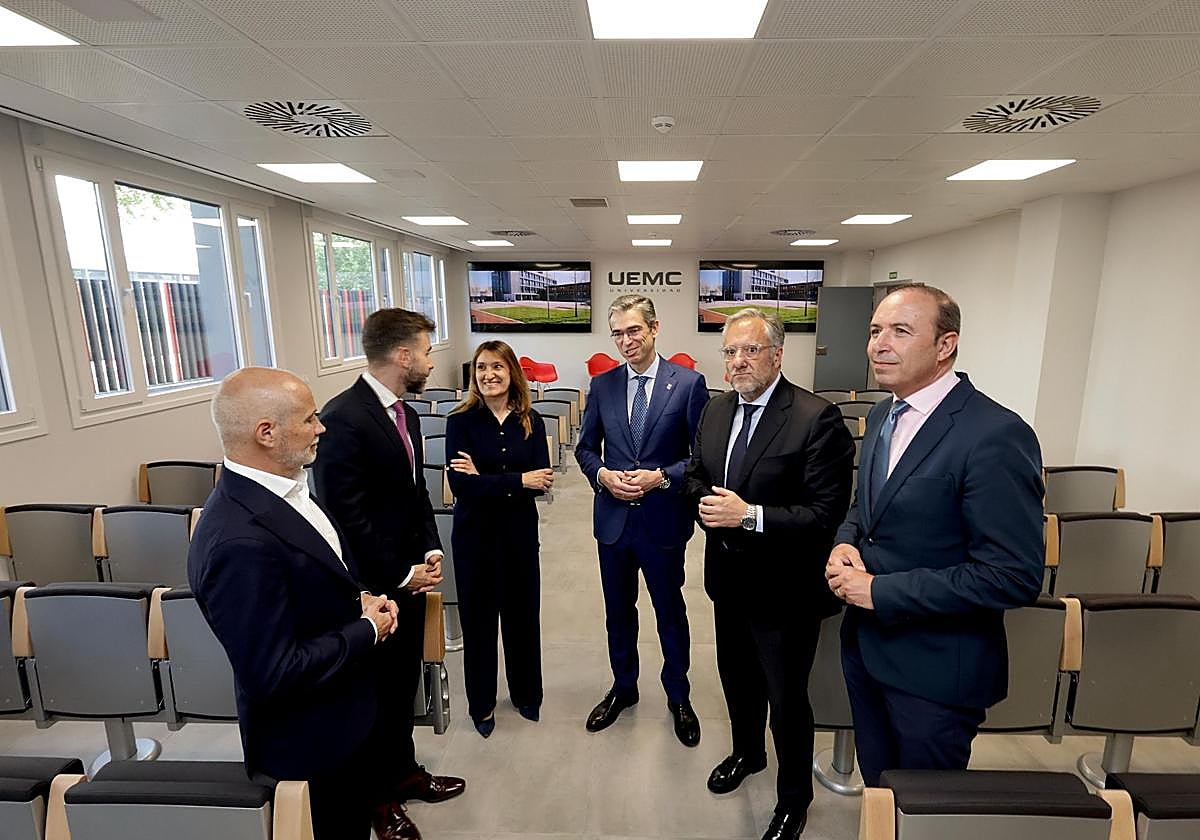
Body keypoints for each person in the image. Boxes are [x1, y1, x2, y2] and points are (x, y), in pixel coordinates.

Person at [826, 284, 1043, 787]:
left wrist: (879, 591)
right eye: (875, 330)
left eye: (900, 331)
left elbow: (1012, 575)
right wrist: (845, 541)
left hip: (935, 673)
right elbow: (866, 508)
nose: (880, 344)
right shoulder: (882, 413)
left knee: (924, 809)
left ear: (946, 345)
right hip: (866, 650)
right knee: (882, 796)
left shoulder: (994, 434)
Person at [188, 367, 414, 840]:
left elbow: (314, 580)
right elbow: (273, 672)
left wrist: (357, 598)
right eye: (309, 419)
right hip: (311, 746)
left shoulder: (286, 487)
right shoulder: (238, 541)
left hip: (345, 718)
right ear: (266, 433)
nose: (322, 428)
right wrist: (366, 629)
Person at [683, 309, 854, 840]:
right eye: (730, 351)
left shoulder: (816, 418)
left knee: (786, 699)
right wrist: (707, 507)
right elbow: (696, 476)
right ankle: (747, 753)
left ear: (777, 355)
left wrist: (748, 516)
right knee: (736, 681)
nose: (738, 361)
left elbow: (825, 515)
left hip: (785, 592)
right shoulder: (715, 409)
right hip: (727, 580)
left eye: (750, 350)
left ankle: (793, 799)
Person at [312, 309, 465, 833]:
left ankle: (403, 773)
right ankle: (377, 801)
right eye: (425, 351)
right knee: (373, 699)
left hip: (409, 577)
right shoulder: (343, 418)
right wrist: (402, 574)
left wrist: (429, 548)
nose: (429, 361)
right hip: (374, 590)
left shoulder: (407, 414)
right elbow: (347, 519)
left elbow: (416, 492)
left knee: (402, 687)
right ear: (403, 356)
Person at [575, 294, 709, 747]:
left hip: (662, 520)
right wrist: (603, 475)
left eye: (633, 330)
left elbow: (700, 457)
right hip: (613, 521)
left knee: (669, 611)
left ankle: (679, 696)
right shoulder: (603, 385)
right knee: (618, 612)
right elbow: (585, 448)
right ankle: (623, 687)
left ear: (654, 328)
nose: (626, 341)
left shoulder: (688, 384)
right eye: (617, 333)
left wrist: (661, 477)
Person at [446, 340, 554, 737]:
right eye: (481, 368)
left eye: (497, 367)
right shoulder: (460, 422)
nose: (488, 375)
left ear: (512, 373)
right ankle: (482, 705)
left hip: (519, 535)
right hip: (474, 538)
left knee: (522, 618)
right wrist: (517, 481)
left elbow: (543, 479)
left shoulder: (531, 420)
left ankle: (527, 695)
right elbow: (461, 486)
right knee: (479, 624)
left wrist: (487, 480)